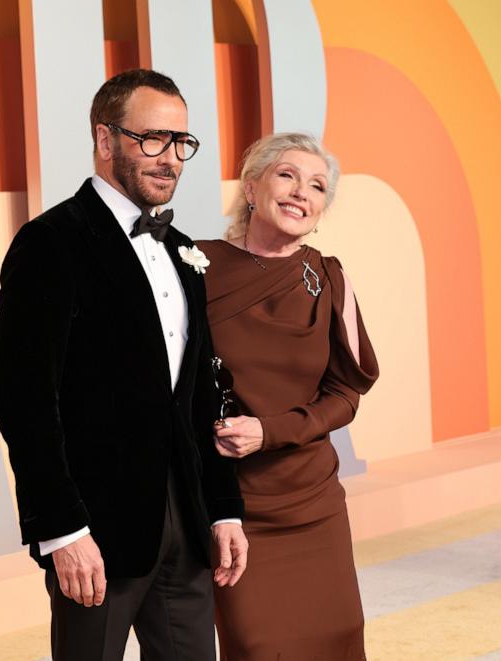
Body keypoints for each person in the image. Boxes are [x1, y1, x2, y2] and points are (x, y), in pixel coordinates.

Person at [0, 69, 248, 661]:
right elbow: (24, 399)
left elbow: (198, 398)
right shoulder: (51, 242)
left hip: (186, 524)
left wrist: (224, 508)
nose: (171, 159)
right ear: (105, 141)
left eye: (181, 142)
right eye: (152, 139)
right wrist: (61, 529)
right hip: (95, 531)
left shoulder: (184, 252)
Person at [196, 132, 379, 660]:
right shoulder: (196, 267)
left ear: (322, 209)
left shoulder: (329, 277)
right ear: (251, 188)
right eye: (287, 176)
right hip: (233, 506)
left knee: (337, 637)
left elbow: (346, 393)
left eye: (317, 186)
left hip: (312, 500)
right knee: (258, 645)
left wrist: (270, 431)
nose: (302, 192)